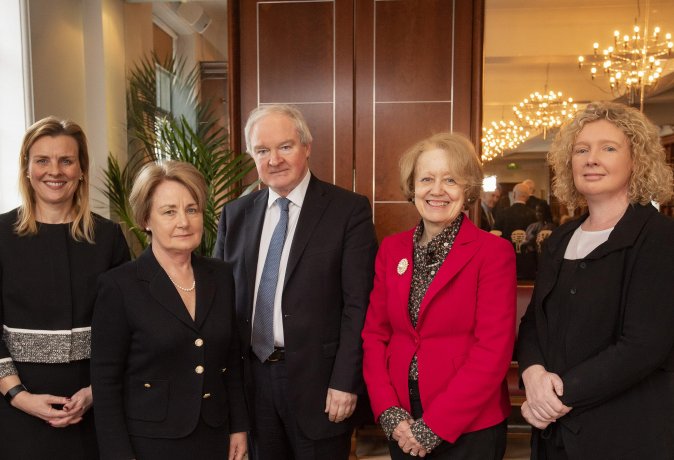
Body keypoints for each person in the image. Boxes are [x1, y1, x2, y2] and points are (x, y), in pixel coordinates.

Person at [214, 105, 378, 459]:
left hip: (320, 385)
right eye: (262, 150)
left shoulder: (348, 211)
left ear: (307, 147)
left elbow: (359, 306)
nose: (274, 159)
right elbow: (221, 306)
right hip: (252, 384)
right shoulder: (235, 215)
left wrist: (345, 382)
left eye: (285, 147)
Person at [517, 101, 674, 460]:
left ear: (637, 161)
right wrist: (533, 374)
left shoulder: (660, 236)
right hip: (554, 434)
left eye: (608, 148)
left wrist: (552, 398)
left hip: (625, 434)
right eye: (581, 150)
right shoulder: (559, 238)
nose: (591, 159)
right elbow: (532, 325)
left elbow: (643, 345)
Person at [0, 117, 131, 460]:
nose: (54, 171)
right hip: (17, 407)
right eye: (42, 160)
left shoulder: (108, 237)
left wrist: (94, 393)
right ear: (27, 169)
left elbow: (126, 327)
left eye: (66, 160)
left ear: (81, 169)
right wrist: (20, 396)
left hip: (94, 406)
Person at [362, 133, 517, 459]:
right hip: (402, 418)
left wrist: (434, 426)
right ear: (413, 186)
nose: (437, 190)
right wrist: (388, 410)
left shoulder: (494, 253)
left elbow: (493, 350)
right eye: (427, 179)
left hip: (470, 422)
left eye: (451, 180)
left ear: (468, 189)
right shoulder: (392, 249)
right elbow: (375, 335)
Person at [91, 161, 248, 460]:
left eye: (192, 209)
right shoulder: (119, 285)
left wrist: (238, 427)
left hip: (214, 436)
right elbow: (105, 382)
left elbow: (232, 361)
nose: (184, 222)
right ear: (146, 220)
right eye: (169, 212)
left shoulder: (221, 275)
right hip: (149, 443)